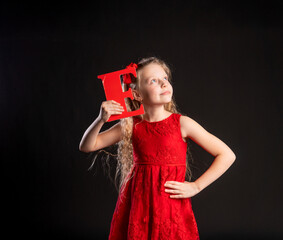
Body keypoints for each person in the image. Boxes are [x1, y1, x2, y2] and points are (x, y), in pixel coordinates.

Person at [79, 57, 236, 239]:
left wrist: (196, 186)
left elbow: (227, 154)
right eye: (153, 80)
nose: (163, 84)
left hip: (170, 208)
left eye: (165, 79)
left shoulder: (182, 123)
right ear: (137, 94)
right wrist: (101, 120)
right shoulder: (131, 125)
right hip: (139, 207)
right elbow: (87, 146)